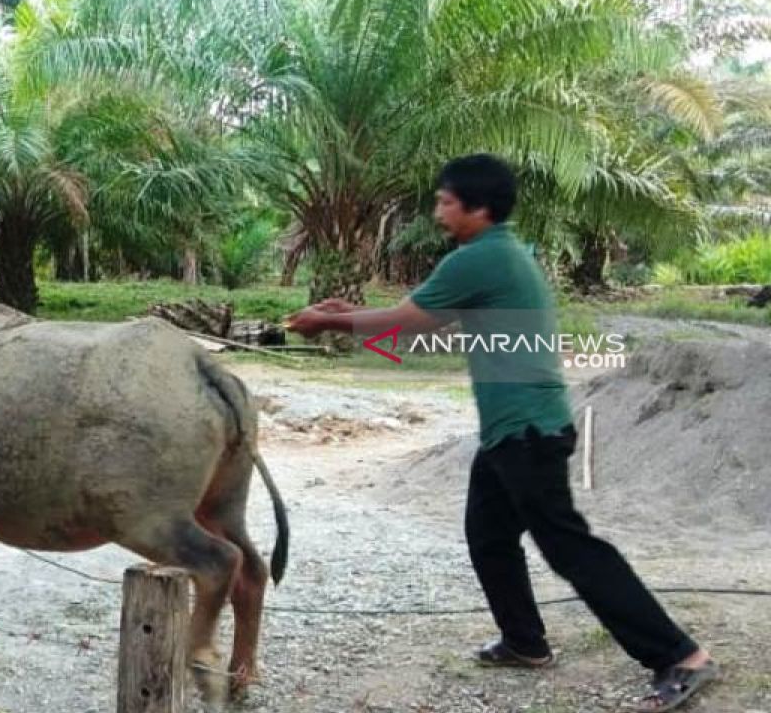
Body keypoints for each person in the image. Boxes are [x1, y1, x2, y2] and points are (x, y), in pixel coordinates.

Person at [285, 154, 718, 712]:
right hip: (512, 431)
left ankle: (680, 656)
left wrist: (331, 322)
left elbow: (406, 323)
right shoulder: (498, 255)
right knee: (488, 536)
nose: (437, 212)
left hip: (527, 432)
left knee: (571, 548)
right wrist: (353, 316)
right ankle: (525, 641)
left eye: (445, 202)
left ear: (478, 207)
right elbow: (415, 322)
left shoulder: (481, 257)